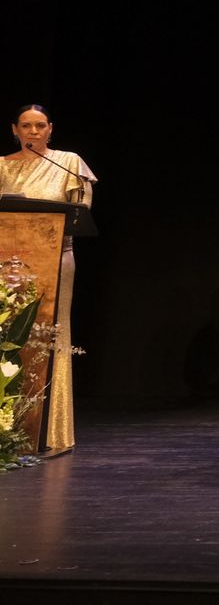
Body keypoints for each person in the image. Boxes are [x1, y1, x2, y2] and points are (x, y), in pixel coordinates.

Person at [2, 105, 97, 455]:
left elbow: (80, 214)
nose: (33, 132)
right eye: (25, 126)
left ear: (51, 129)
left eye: (39, 125)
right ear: (15, 129)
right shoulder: (2, 165)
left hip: (56, 259)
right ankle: (10, 428)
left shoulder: (68, 162)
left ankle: (50, 430)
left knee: (50, 333)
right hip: (7, 264)